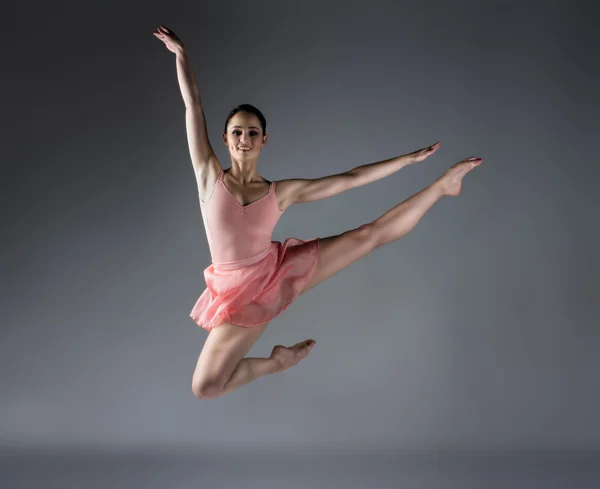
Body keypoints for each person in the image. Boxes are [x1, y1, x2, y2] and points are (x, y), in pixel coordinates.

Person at [153, 25, 482, 400]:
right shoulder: (209, 176)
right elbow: (192, 105)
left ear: (264, 139)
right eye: (237, 132)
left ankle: (442, 187)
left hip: (275, 271)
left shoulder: (281, 192)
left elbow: (350, 179)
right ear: (226, 138)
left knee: (367, 236)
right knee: (206, 386)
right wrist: (181, 55)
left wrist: (406, 161)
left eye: (253, 132)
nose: (245, 139)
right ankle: (277, 363)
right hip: (236, 294)